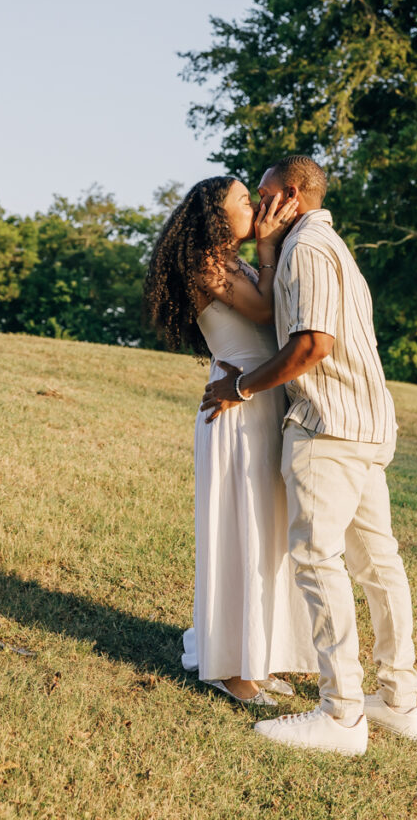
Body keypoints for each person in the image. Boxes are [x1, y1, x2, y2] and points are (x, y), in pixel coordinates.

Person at [200, 155, 417, 754]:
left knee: (318, 560)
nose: (258, 205)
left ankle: (342, 713)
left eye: (265, 193)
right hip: (367, 423)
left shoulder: (305, 250)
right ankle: (398, 700)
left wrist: (242, 387)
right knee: (378, 563)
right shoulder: (332, 247)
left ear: (292, 196)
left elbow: (314, 345)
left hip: (330, 428)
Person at [144, 176, 318, 706]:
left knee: (265, 534)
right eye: (246, 200)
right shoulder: (206, 263)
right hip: (234, 407)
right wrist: (268, 246)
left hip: (261, 403)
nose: (257, 206)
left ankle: (257, 655)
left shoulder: (233, 263)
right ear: (217, 216)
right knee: (238, 534)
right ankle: (231, 668)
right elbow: (265, 313)